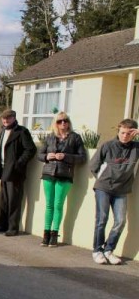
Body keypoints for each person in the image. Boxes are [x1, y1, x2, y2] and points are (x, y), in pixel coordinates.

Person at [89, 118, 139, 265]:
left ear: (134, 134)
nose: (125, 136)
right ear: (118, 131)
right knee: (102, 219)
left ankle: (108, 250)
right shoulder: (108, 146)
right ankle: (97, 250)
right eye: (122, 133)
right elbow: (93, 165)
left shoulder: (136, 147)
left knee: (120, 221)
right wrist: (105, 179)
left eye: (129, 134)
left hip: (122, 190)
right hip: (103, 188)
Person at [37, 112, 87, 247]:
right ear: (56, 123)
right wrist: (48, 156)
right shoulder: (50, 137)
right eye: (60, 121)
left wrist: (65, 156)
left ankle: (54, 234)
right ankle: (46, 233)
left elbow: (82, 157)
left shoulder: (75, 138)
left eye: (65, 121)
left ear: (69, 122)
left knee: (58, 205)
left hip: (65, 175)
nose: (63, 123)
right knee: (49, 205)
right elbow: (40, 155)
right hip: (48, 173)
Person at [0, 109, 37, 236]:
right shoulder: (3, 131)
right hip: (3, 169)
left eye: (8, 118)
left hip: (15, 172)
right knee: (3, 200)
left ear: (14, 118)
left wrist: (18, 163)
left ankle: (13, 227)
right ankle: (3, 225)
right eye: (3, 118)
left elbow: (30, 150)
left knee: (13, 200)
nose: (5, 120)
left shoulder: (22, 131)